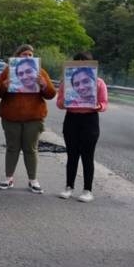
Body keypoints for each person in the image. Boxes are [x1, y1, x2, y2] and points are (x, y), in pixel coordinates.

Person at [0, 44, 56, 193]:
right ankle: (8, 178)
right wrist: (3, 86)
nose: (27, 57)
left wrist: (44, 85)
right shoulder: (8, 71)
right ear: (17, 56)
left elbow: (51, 94)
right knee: (12, 148)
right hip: (11, 117)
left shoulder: (40, 72)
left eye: (30, 55)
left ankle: (33, 180)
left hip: (34, 118)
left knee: (31, 149)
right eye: (24, 54)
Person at [56, 52, 108, 202]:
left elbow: (104, 103)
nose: (79, 65)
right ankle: (68, 187)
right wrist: (66, 100)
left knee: (87, 156)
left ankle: (87, 190)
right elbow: (59, 103)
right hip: (71, 119)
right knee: (72, 155)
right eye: (76, 62)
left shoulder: (98, 83)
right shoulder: (66, 82)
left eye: (83, 62)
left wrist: (98, 105)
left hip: (90, 120)